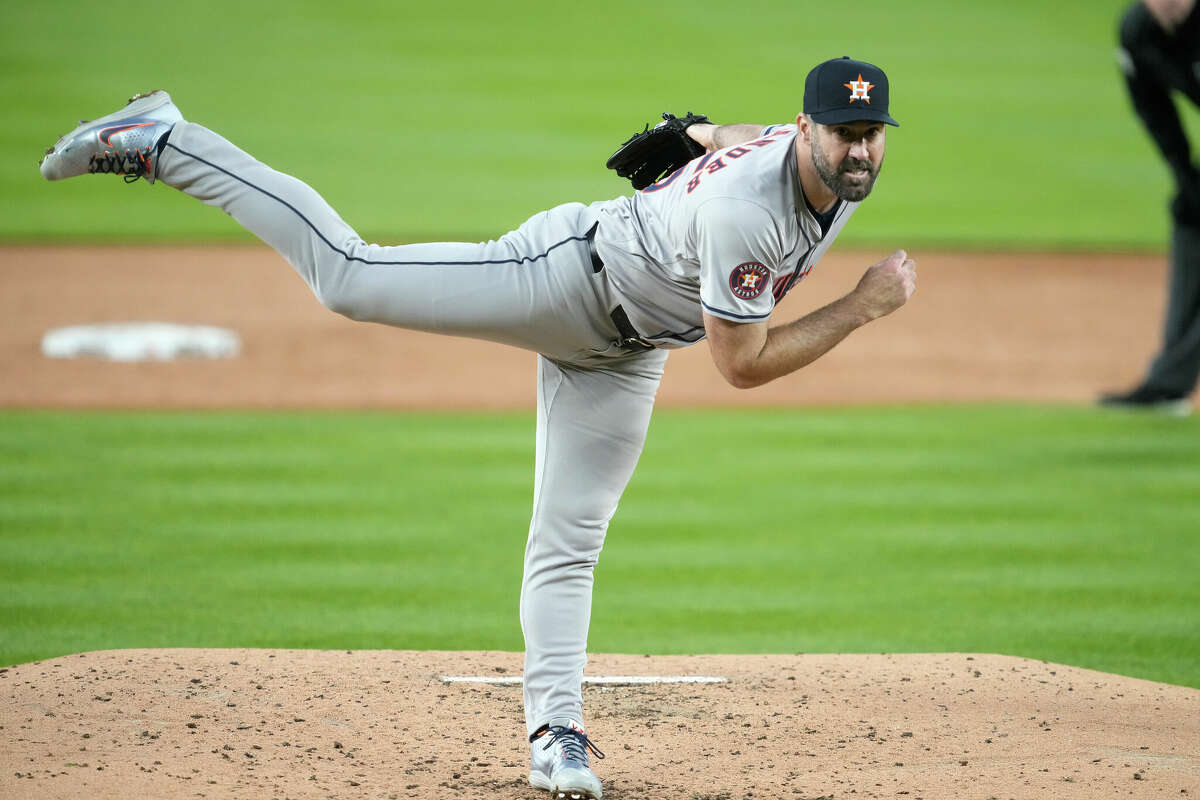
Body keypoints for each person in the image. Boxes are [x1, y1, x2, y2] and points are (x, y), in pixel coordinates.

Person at [39, 56, 916, 799]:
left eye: (873, 133)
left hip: (629, 348)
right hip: (567, 278)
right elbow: (742, 365)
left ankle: (555, 736)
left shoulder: (826, 170)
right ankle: (166, 142)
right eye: (844, 134)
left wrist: (695, 135)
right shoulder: (750, 214)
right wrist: (862, 307)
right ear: (810, 131)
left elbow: (745, 137)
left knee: (571, 537)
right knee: (349, 277)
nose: (860, 149)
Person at [1102, 0, 1200, 416]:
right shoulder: (1139, 32)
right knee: (1189, 210)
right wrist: (1186, 176)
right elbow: (1154, 109)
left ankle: (1170, 377)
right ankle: (1169, 387)